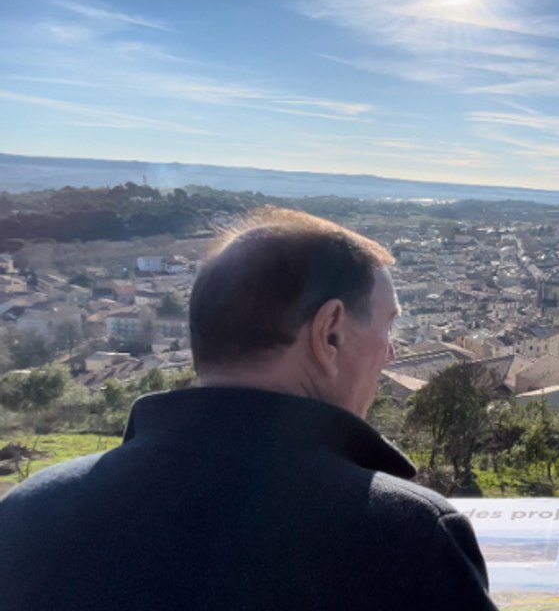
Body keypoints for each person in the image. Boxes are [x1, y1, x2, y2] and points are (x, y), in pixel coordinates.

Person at [0, 208, 498, 611]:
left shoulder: (25, 515)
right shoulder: (408, 540)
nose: (391, 351)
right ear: (330, 334)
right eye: (387, 327)